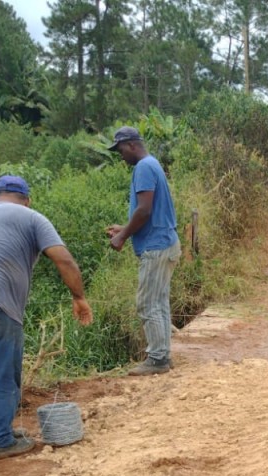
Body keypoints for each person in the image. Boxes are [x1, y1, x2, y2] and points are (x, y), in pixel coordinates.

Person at [0, 174, 93, 459]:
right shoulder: (33, 218)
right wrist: (79, 297)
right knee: (3, 376)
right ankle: (0, 441)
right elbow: (63, 259)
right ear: (27, 200)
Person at [105, 126, 181, 376]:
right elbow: (147, 211)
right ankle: (162, 355)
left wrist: (122, 237)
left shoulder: (144, 168)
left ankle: (158, 359)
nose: (121, 156)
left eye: (121, 150)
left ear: (132, 145)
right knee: (158, 301)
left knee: (147, 303)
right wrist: (124, 227)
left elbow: (144, 210)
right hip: (164, 242)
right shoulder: (152, 164)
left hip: (156, 246)